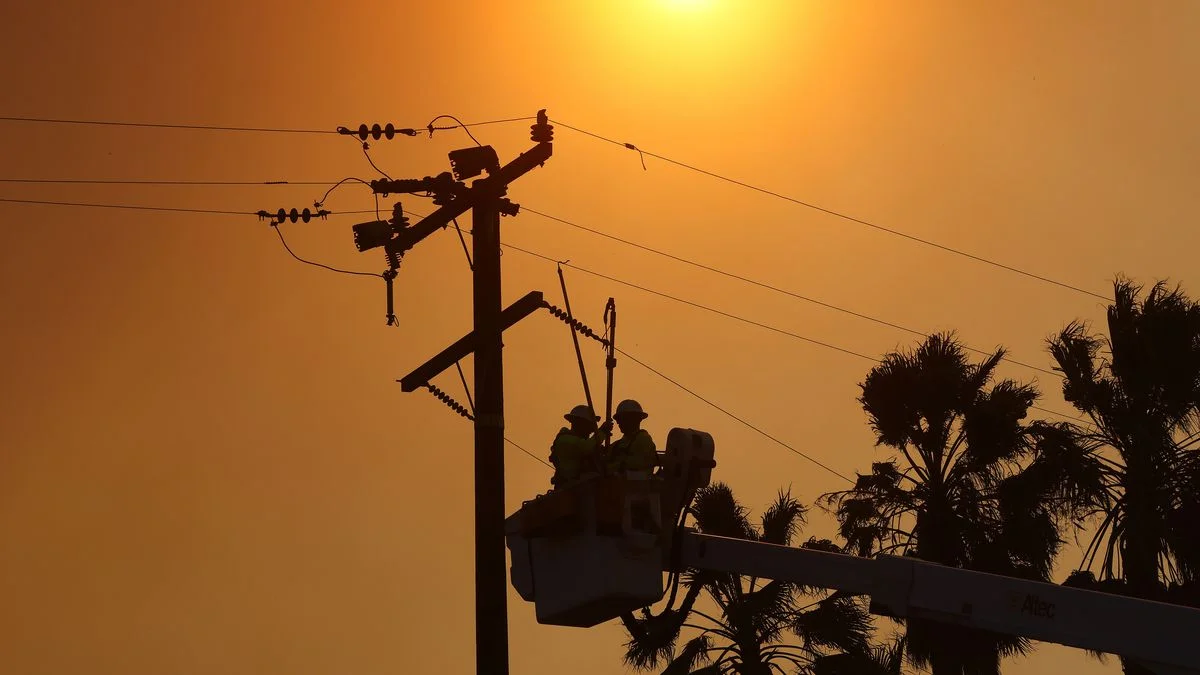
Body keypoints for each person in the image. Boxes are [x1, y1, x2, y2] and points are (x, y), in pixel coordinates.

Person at [549, 405, 610, 486]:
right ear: (578, 423)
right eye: (589, 425)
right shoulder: (565, 440)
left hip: (580, 485)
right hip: (569, 486)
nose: (591, 430)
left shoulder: (581, 441)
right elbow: (586, 447)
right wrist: (602, 432)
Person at [606, 399, 656, 475]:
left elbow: (639, 463)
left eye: (623, 419)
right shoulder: (617, 444)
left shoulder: (643, 440)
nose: (619, 423)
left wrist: (616, 466)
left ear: (636, 419)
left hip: (637, 481)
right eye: (618, 419)